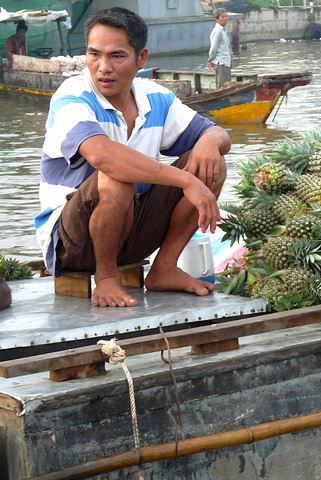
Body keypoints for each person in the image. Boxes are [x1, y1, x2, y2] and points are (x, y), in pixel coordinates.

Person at [35, 7, 231, 308]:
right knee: (116, 177)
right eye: (94, 54)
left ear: (141, 58)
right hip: (73, 242)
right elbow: (104, 157)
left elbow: (221, 136)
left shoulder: (155, 98)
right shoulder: (72, 96)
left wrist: (209, 141)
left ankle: (164, 267)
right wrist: (186, 182)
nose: (103, 67)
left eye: (117, 56)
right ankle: (107, 277)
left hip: (131, 231)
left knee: (210, 163)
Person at [206, 9, 231, 89]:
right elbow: (213, 49)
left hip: (226, 62)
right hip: (221, 63)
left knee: (227, 85)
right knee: (222, 86)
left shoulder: (224, 30)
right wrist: (210, 60)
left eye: (226, 16)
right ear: (217, 19)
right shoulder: (218, 32)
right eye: (222, 17)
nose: (225, 18)